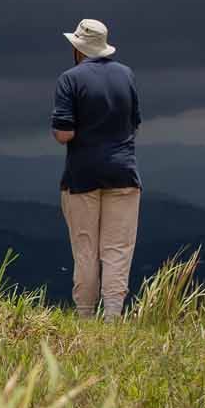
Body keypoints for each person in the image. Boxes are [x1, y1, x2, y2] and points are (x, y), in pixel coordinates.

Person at [51, 18, 141, 319]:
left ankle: (86, 316)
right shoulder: (126, 74)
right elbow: (135, 123)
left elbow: (64, 133)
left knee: (86, 249)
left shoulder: (69, 79)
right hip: (124, 172)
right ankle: (113, 315)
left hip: (82, 175)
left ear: (78, 48)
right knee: (117, 249)